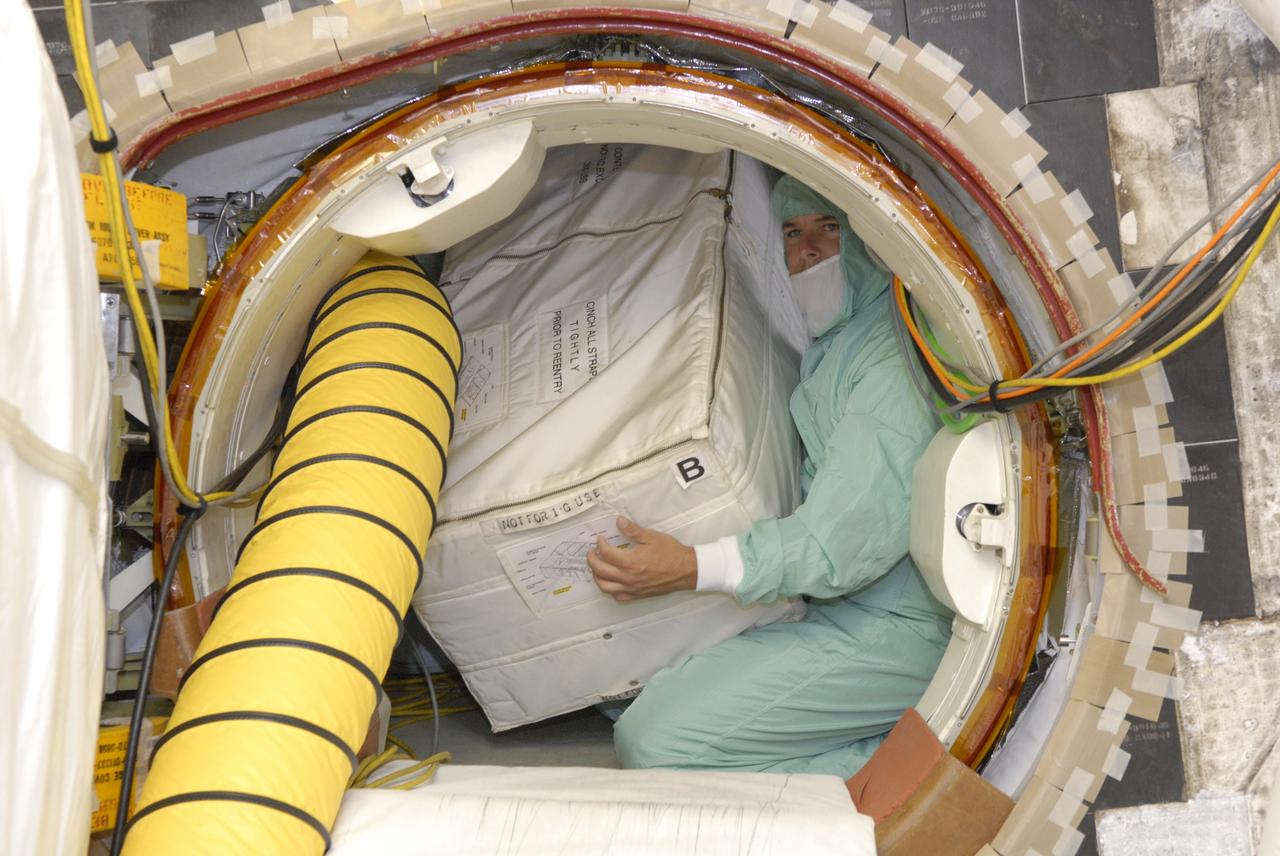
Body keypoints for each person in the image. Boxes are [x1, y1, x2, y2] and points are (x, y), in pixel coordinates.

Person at [585, 175, 954, 778]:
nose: (807, 250)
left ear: (871, 240)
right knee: (617, 691)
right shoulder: (837, 344)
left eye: (829, 229)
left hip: (896, 630)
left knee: (654, 743)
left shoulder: (886, 361)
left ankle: (906, 776)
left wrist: (690, 567)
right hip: (841, 610)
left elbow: (839, 546)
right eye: (793, 233)